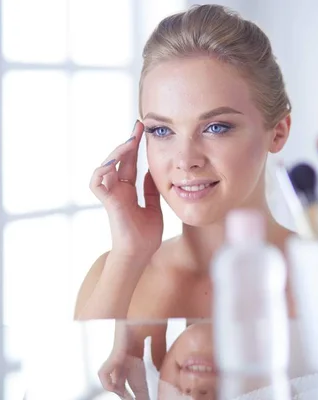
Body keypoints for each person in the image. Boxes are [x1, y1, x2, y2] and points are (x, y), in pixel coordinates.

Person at [74, 2, 295, 374]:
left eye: (216, 127)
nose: (185, 159)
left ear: (278, 131)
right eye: (162, 131)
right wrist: (128, 256)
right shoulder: (111, 275)